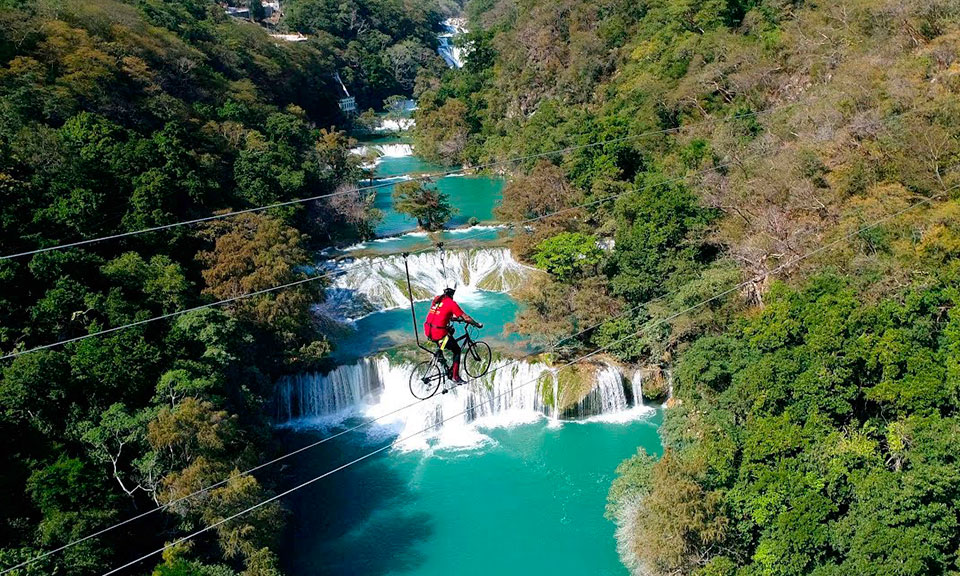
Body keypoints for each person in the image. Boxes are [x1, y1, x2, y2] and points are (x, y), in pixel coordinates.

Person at [423, 287, 482, 383]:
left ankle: (441, 359)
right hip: (439, 333)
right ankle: (455, 377)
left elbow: (441, 314)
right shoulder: (451, 303)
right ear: (452, 294)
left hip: (428, 331)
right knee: (457, 350)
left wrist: (455, 319)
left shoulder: (437, 300)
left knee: (448, 334)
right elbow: (466, 317)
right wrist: (477, 324)